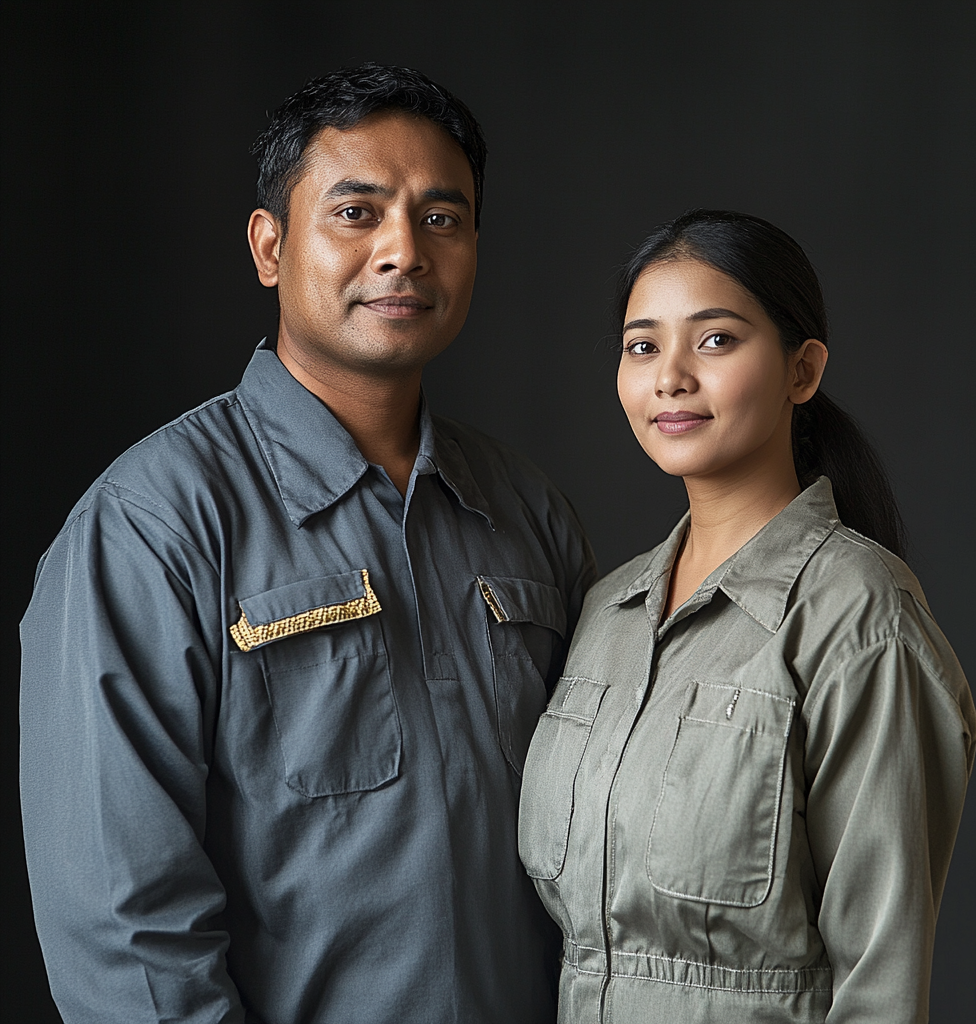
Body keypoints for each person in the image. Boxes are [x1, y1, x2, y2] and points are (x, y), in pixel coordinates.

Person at [20, 63, 595, 1024]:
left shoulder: (526, 511)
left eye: (441, 219)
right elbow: (127, 935)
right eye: (357, 213)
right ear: (269, 245)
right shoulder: (152, 526)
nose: (404, 251)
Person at [518, 209, 976, 1023]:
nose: (670, 377)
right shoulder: (607, 614)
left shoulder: (858, 615)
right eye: (642, 345)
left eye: (716, 340)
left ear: (802, 371)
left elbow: (882, 980)